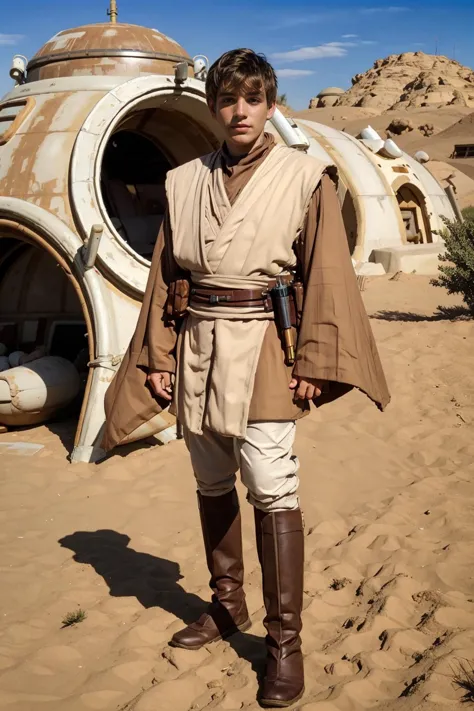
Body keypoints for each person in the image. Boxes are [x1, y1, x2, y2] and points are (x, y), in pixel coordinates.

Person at [102, 49, 390, 708]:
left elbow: (328, 273)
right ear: (213, 106)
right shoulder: (183, 182)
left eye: (253, 98)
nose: (240, 111)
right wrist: (159, 355)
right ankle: (228, 604)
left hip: (264, 343)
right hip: (199, 341)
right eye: (229, 99)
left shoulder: (304, 175)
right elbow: (167, 280)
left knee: (270, 480)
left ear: (270, 104)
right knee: (209, 477)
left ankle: (284, 642)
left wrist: (315, 359)